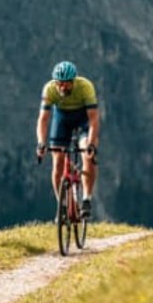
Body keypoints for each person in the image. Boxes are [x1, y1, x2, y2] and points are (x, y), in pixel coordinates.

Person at [35, 61, 100, 217]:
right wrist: (41, 143)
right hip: (62, 119)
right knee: (57, 162)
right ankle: (62, 204)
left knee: (87, 156)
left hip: (83, 118)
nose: (63, 87)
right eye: (60, 83)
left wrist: (91, 143)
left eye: (67, 83)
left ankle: (86, 199)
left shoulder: (85, 87)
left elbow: (94, 119)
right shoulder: (49, 89)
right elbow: (43, 119)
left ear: (74, 81)